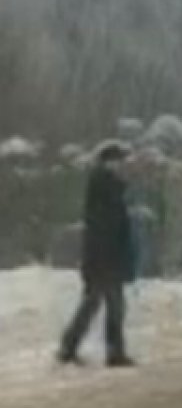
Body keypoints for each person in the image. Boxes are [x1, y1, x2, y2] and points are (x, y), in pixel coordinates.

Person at [58, 143, 137, 367]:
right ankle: (113, 352)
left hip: (101, 257)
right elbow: (109, 229)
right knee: (112, 305)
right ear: (111, 163)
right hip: (106, 258)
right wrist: (111, 259)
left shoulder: (106, 186)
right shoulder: (107, 188)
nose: (124, 166)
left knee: (94, 303)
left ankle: (70, 346)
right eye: (121, 161)